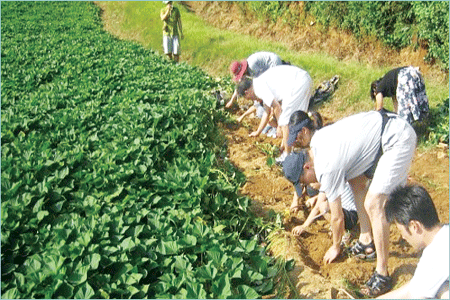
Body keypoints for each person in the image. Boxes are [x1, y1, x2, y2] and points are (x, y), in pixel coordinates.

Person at [282, 109, 417, 297]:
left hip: (396, 137)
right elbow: (357, 182)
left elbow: (337, 218)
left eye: (304, 181)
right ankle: (366, 239)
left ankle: (382, 273)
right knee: (357, 183)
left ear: (307, 167)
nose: (308, 185)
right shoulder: (318, 142)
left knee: (374, 203)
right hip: (386, 130)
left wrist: (336, 246)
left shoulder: (325, 165)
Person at [378, 185, 449, 299]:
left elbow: (414, 295)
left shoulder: (435, 253)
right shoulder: (445, 233)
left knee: (441, 290)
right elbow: (416, 285)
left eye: (401, 231)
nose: (403, 237)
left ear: (414, 226)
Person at [236, 65, 313, 163]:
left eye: (248, 98)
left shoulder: (258, 89)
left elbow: (277, 107)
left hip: (297, 83)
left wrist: (279, 127)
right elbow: (266, 112)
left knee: (285, 121)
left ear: (247, 92)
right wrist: (258, 132)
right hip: (304, 80)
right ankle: (304, 147)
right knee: (298, 118)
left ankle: (286, 156)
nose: (252, 100)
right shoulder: (259, 83)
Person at [292, 182, 359, 242]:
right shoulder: (328, 181)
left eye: (311, 183)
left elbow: (317, 208)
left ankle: (344, 235)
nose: (311, 186)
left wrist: (304, 226)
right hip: (342, 213)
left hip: (351, 216)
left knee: (324, 206)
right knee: (324, 205)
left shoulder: (329, 182)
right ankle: (335, 227)